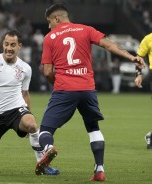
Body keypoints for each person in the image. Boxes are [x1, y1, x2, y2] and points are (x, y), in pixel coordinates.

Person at [35, 3, 146, 181]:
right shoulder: (86, 29)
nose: (49, 26)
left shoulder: (50, 37)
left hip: (65, 89)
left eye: (49, 22)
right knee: (93, 128)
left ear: (56, 19)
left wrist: (59, 84)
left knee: (45, 130)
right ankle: (99, 169)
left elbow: (47, 71)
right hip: (87, 89)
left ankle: (48, 149)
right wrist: (132, 57)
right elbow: (109, 45)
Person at [0, 30, 59, 175]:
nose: (9, 48)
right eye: (6, 44)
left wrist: (29, 113)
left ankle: (43, 165)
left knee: (32, 125)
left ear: (19, 46)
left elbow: (25, 93)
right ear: (2, 45)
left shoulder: (26, 68)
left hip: (16, 110)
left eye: (13, 45)